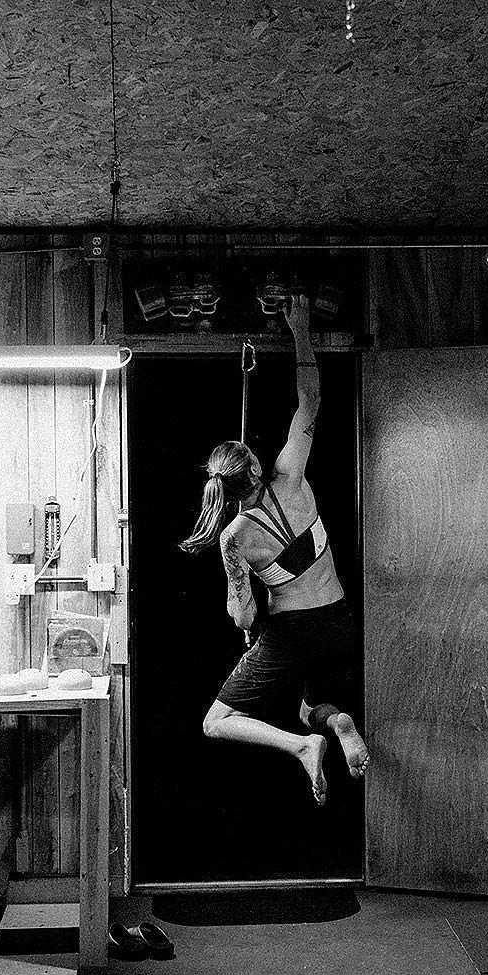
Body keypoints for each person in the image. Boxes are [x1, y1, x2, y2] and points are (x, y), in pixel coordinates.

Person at [179, 294, 370, 806]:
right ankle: (333, 726)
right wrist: (300, 329)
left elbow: (241, 610)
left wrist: (243, 621)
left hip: (291, 634)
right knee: (316, 703)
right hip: (337, 617)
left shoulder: (234, 538)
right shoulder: (293, 475)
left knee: (216, 722)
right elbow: (311, 399)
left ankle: (303, 746)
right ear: (256, 467)